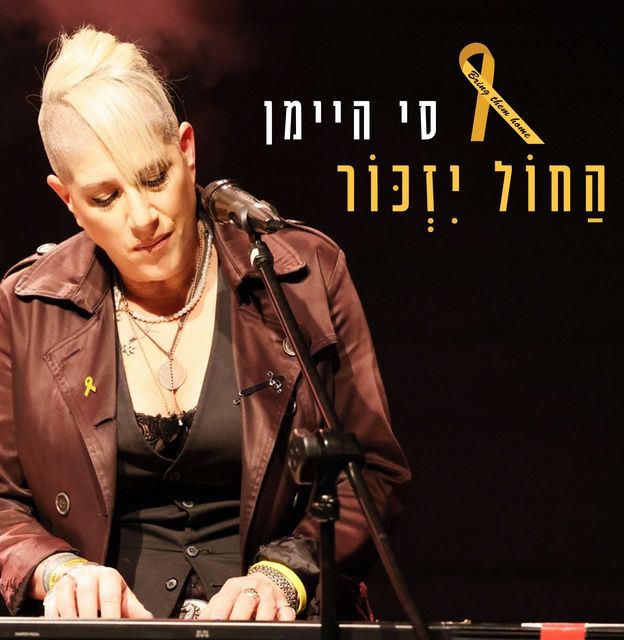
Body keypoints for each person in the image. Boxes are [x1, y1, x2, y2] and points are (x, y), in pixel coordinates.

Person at [0, 25, 411, 621]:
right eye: (105, 198)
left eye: (154, 177)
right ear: (67, 201)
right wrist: (56, 569)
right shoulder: (26, 306)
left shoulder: (301, 274)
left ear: (187, 150)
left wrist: (285, 577)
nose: (142, 217)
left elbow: (372, 472)